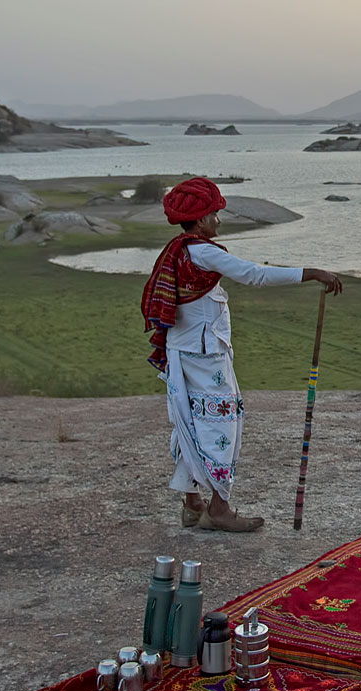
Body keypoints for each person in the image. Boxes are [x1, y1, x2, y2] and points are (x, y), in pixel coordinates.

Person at [140, 177, 344, 532]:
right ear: (200, 219)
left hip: (182, 351)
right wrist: (312, 273)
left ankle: (192, 504)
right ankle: (218, 508)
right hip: (205, 355)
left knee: (189, 423)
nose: (219, 221)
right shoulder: (203, 252)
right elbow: (254, 275)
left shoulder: (179, 249)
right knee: (223, 424)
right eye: (214, 214)